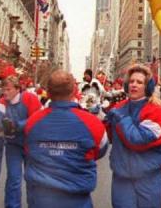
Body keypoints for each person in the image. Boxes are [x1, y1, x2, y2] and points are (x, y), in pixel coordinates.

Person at [23, 70, 108, 208]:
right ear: (75, 91)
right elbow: (101, 150)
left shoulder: (32, 122)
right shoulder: (92, 123)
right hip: (77, 200)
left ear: (48, 93)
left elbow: (28, 149)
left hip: (40, 200)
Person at [106, 64, 161, 208]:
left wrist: (122, 119)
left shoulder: (156, 111)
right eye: (131, 81)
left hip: (148, 178)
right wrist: (96, 115)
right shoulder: (118, 108)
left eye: (139, 82)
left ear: (147, 87)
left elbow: (137, 141)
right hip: (122, 178)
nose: (134, 85)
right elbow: (109, 138)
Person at [0, 76, 42, 208]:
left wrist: (18, 125)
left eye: (8, 89)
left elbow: (37, 118)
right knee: (13, 178)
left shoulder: (29, 98)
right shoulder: (2, 103)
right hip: (13, 145)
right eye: (3, 89)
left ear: (17, 89)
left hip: (31, 145)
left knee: (32, 178)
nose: (5, 92)